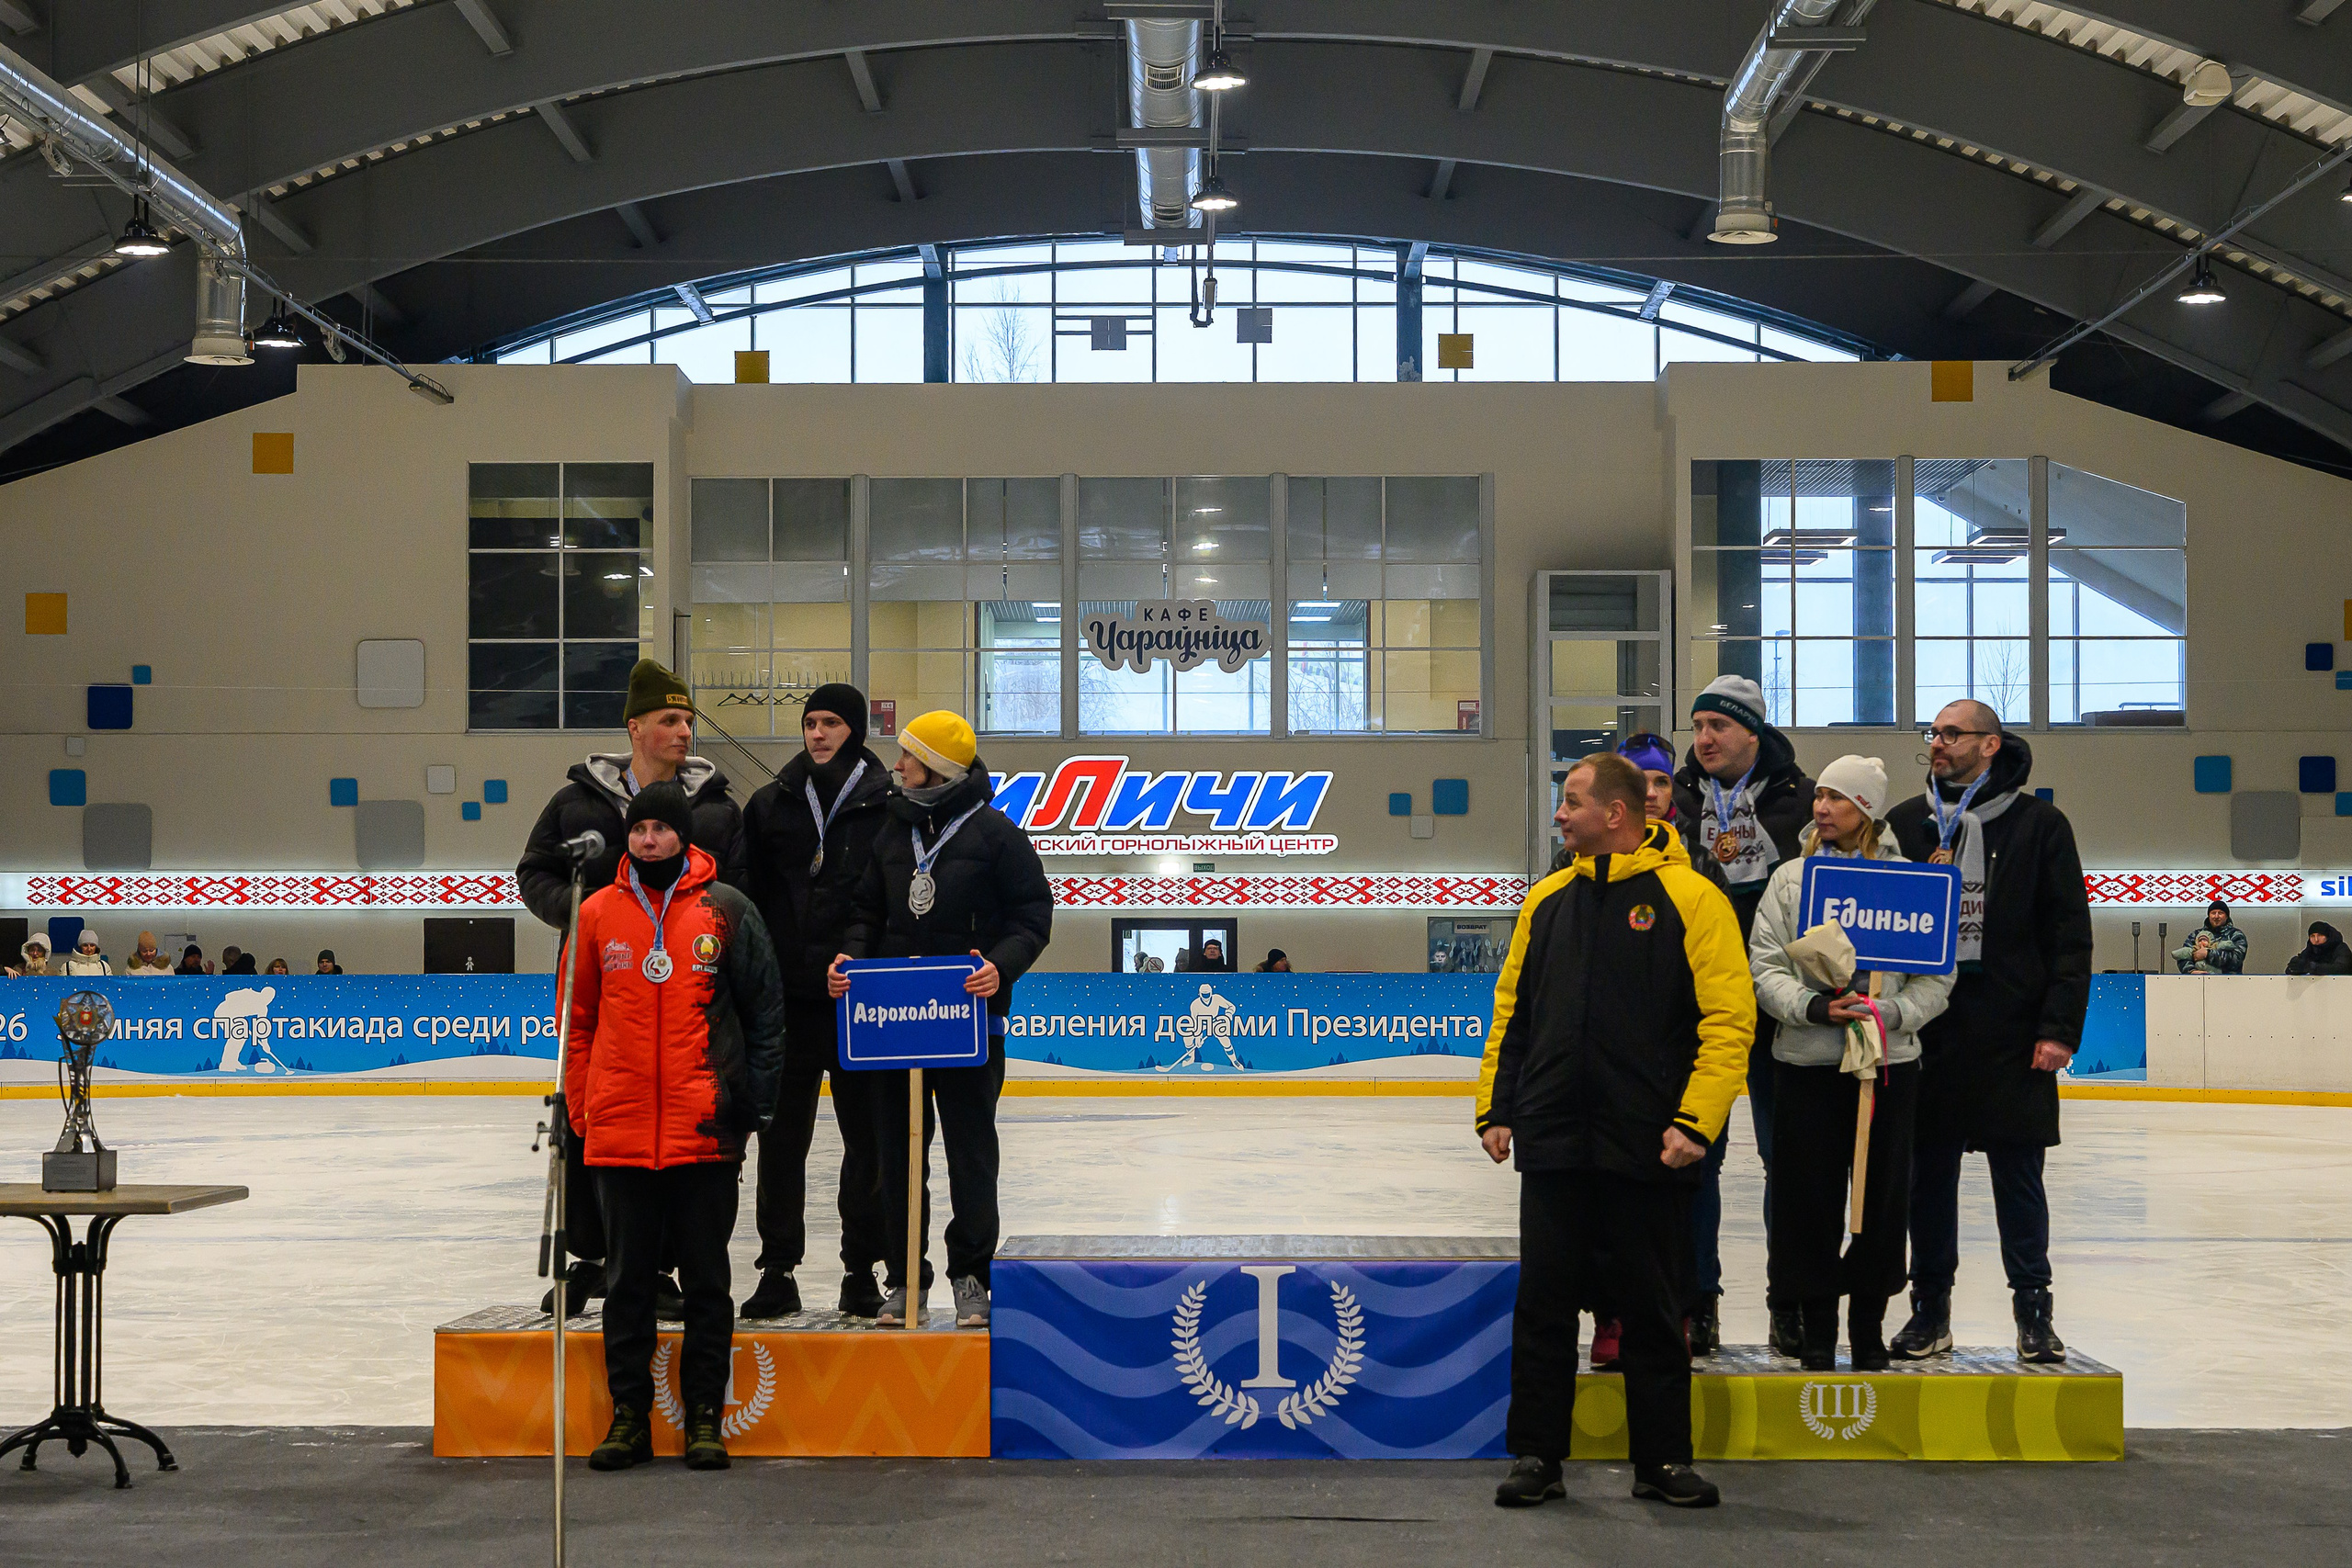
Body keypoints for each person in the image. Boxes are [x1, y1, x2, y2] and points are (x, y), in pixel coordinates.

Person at [1476, 752, 1750, 1511]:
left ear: (1616, 814)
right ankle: (1537, 1453)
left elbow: (1728, 1022)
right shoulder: (1547, 901)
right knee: (1543, 1307)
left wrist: (1696, 1121)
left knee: (1656, 1309)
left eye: (1572, 801)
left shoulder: (1693, 898)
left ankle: (1663, 1460)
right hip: (1556, 1137)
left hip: (1650, 1143)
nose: (1560, 814)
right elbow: (1515, 1012)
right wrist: (1499, 1108)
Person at [518, 657, 750, 1318]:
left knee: (678, 1130)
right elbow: (532, 872)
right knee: (590, 1119)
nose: (684, 732)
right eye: (671, 720)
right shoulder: (576, 803)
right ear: (636, 726)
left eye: (687, 720)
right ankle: (595, 1256)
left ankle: (662, 1265)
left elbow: (736, 898)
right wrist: (586, 913)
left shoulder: (716, 811)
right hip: (602, 993)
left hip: (690, 1005)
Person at [565, 782, 786, 1473]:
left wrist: (755, 1107)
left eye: (662, 828)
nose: (648, 839)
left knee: (708, 1283)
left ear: (684, 837)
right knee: (626, 1283)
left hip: (703, 1132)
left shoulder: (727, 910)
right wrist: (583, 1109)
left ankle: (703, 1420)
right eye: (640, 828)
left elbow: (766, 1017)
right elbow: (579, 1024)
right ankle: (628, 1417)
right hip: (621, 1133)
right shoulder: (597, 914)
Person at [830, 709, 1054, 1330]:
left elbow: (1033, 915)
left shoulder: (997, 835)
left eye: (907, 755)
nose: (896, 765)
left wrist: (1001, 968)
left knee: (971, 1155)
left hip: (969, 1028)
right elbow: (865, 913)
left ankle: (971, 1274)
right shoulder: (890, 834)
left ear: (937, 766)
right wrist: (850, 960)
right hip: (894, 1027)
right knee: (897, 1159)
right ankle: (904, 1278)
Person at [1885, 700, 2091, 1365]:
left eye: (1952, 734)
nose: (1938, 744)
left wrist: (2058, 1027)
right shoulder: (1907, 826)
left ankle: (2034, 1310)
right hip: (1929, 1033)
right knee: (1928, 1180)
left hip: (2012, 1034)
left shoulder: (2040, 826)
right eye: (1934, 734)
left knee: (2020, 1181)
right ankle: (1929, 1311)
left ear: (1991, 744)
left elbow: (2069, 936)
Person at [1747, 756, 1951, 1371]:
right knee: (1805, 1199)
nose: (1821, 806)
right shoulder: (1791, 880)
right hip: (1808, 1065)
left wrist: (1891, 1014)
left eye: (1837, 797)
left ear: (1866, 809)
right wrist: (1813, 1006)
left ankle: (1868, 1324)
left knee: (1881, 1199)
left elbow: (1937, 976)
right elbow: (1765, 966)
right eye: (1821, 795)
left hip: (1887, 1069)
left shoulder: (1911, 882)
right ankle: (1814, 1326)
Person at [1668, 674, 1815, 1356]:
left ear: (1752, 733)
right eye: (1697, 727)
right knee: (1697, 1155)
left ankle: (1790, 1302)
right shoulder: (1677, 801)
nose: (1703, 739)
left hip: (1783, 1008)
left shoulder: (1803, 801)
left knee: (1788, 1162)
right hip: (1702, 1010)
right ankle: (1699, 1301)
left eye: (1717, 727)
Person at [740, 684, 893, 1320]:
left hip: (859, 1002)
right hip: (790, 1003)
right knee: (780, 1141)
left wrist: (864, 956)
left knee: (869, 1143)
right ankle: (778, 1269)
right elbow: (746, 894)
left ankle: (861, 1268)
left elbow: (890, 894)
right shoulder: (771, 802)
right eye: (810, 722)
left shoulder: (889, 804)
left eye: (831, 722)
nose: (818, 732)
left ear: (854, 730)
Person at [2173, 900, 2246, 976]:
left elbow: (2236, 960)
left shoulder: (2236, 935)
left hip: (2228, 981)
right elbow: (2184, 956)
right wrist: (2191, 970)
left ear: (2227, 916)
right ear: (2209, 916)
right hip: (2197, 981)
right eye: (2213, 913)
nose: (2216, 916)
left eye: (2220, 913)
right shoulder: (2196, 935)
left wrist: (2208, 954)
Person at [2286, 921, 2352, 976]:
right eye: (2312, 936)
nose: (2316, 939)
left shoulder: (2341, 948)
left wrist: (2312, 967)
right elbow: (2289, 971)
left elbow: (2341, 968)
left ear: (2327, 936)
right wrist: (2294, 967)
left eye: (2320, 935)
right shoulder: (2310, 950)